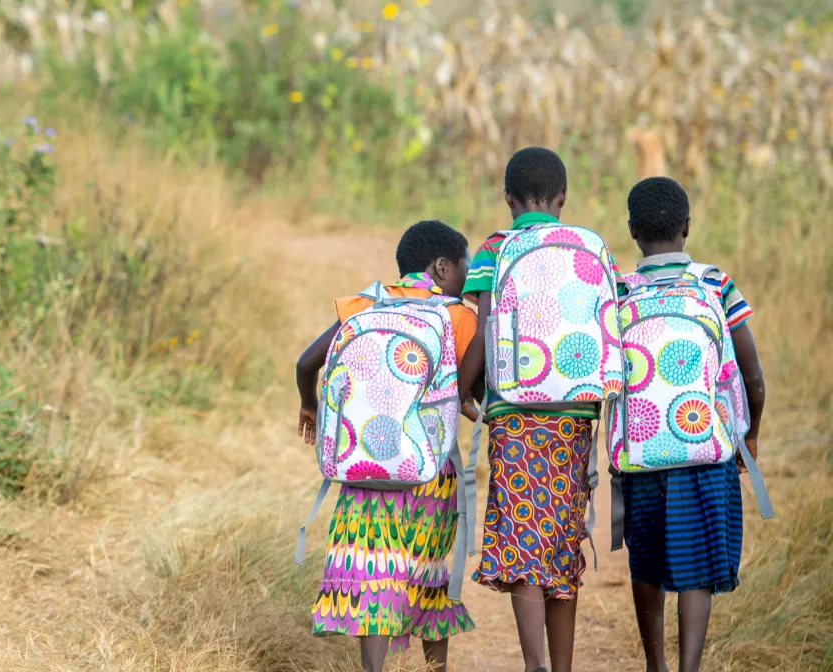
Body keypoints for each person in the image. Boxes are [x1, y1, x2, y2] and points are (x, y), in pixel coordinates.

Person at [458, 147, 622, 672]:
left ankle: (534, 665)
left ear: (507, 198)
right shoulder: (592, 245)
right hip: (575, 413)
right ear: (563, 197)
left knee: (524, 533)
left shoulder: (494, 249)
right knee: (563, 536)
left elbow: (483, 330)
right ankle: (563, 666)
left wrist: (463, 391)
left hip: (515, 412)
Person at [296, 220, 477, 672]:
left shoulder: (363, 304)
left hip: (363, 470)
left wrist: (309, 406)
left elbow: (305, 363)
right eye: (465, 266)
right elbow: (477, 388)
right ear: (442, 267)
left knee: (374, 574)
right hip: (429, 473)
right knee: (429, 574)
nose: (468, 276)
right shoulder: (457, 316)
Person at [620, 177, 765, 672]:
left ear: (633, 230)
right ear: (687, 225)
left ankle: (654, 666)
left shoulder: (621, 291)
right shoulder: (715, 284)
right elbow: (752, 374)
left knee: (647, 560)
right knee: (697, 564)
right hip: (706, 449)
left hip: (640, 454)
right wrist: (751, 433)